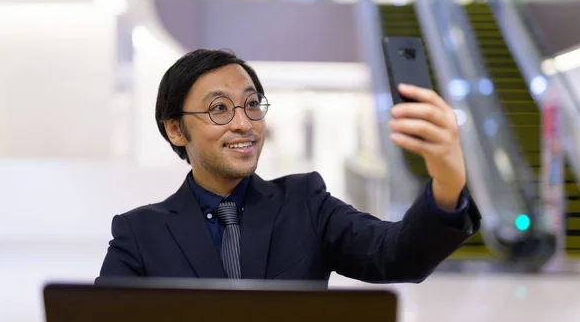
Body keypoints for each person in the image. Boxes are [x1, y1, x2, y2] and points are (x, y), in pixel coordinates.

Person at [98, 49, 481, 284]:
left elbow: (398, 255)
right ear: (176, 130)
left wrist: (447, 180)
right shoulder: (140, 233)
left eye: (252, 104)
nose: (244, 123)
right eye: (218, 109)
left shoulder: (305, 203)